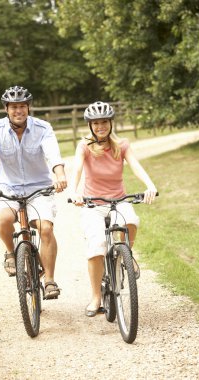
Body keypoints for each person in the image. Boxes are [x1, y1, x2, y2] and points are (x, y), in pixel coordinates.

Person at [0, 85, 67, 299]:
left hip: (39, 188)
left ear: (28, 107)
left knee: (45, 228)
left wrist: (60, 175)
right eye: (14, 107)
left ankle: (49, 280)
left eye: (22, 106)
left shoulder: (43, 128)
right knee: (3, 219)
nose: (18, 111)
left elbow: (53, 155)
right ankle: (10, 252)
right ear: (6, 109)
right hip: (9, 187)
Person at [69, 101, 157, 316]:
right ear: (90, 125)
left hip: (118, 200)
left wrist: (150, 185)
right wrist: (74, 191)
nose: (101, 126)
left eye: (104, 122)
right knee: (97, 246)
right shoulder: (84, 147)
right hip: (93, 204)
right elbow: (77, 169)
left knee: (132, 221)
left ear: (111, 123)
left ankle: (127, 255)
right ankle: (96, 297)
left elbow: (135, 166)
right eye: (96, 123)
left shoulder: (122, 145)